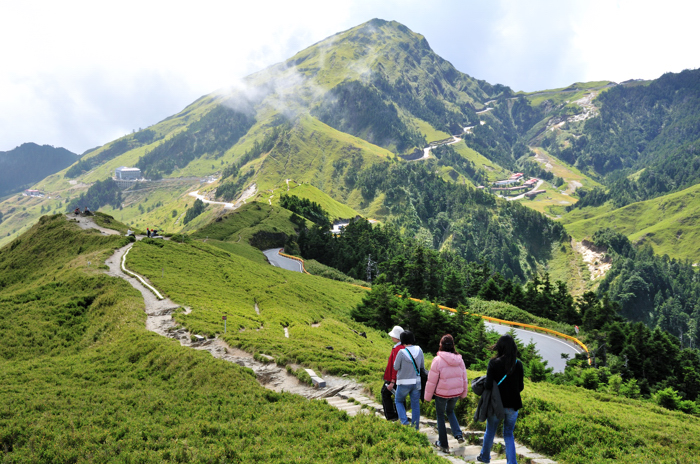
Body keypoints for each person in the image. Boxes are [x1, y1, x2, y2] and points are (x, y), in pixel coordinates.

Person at [477, 334, 524, 464]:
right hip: (513, 405)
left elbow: (487, 386)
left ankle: (485, 457)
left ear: (499, 347)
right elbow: (520, 387)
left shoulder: (493, 363)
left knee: (490, 431)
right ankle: (512, 462)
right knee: (508, 434)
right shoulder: (518, 364)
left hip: (496, 405)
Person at [424, 334, 468, 452]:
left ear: (441, 345)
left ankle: (443, 444)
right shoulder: (460, 359)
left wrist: (427, 397)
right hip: (456, 393)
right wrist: (463, 393)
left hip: (441, 394)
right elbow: (464, 378)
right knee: (450, 411)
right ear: (453, 345)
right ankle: (458, 435)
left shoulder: (438, 360)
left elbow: (432, 381)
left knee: (440, 415)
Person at [393, 330, 424, 430]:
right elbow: (422, 366)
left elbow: (396, 367)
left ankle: (404, 422)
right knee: (415, 405)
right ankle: (415, 428)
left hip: (403, 382)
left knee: (398, 400)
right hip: (416, 382)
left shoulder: (401, 352)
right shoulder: (419, 349)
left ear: (402, 340)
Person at [382, 326, 406, 421]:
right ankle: (401, 415)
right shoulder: (403, 347)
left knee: (385, 393)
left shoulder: (397, 349)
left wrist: (392, 380)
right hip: (401, 377)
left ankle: (392, 416)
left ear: (396, 337)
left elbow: (395, 366)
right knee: (399, 396)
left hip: (394, 378)